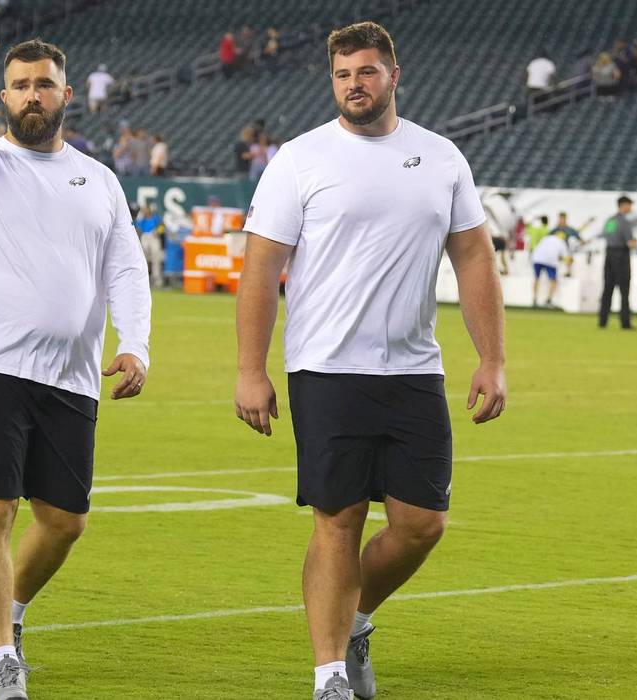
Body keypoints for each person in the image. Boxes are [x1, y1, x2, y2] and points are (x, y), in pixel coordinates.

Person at [234, 21, 506, 700]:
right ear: (332, 82)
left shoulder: (440, 157)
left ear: (393, 74)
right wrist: (250, 368)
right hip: (325, 368)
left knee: (421, 525)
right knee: (338, 518)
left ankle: (354, 621)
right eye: (342, 74)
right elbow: (261, 266)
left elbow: (472, 254)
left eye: (366, 71)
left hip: (414, 370)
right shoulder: (299, 159)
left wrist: (490, 358)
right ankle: (328, 673)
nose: (354, 84)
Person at [0, 4, 152, 698]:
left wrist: (136, 344)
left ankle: (10, 614)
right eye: (20, 85)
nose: (32, 95)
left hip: (72, 373)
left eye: (44, 84)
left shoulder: (98, 178)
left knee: (64, 521)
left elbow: (125, 268)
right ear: (3, 96)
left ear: (65, 95)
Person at [598, 195, 636, 329]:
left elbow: (605, 235)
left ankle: (603, 321)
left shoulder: (610, 221)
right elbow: (630, 243)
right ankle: (625, 322)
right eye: (630, 205)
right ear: (624, 205)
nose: (631, 208)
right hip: (621, 256)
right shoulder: (625, 222)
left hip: (609, 255)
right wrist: (635, 243)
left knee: (607, 289)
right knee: (624, 290)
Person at [530, 231, 570, 308]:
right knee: (553, 281)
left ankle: (534, 299)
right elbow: (566, 258)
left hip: (536, 258)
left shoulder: (546, 238)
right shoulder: (562, 242)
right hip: (550, 260)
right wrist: (568, 271)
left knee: (536, 278)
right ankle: (548, 300)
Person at [137, 202, 165, 286]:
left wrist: (158, 231)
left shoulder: (156, 218)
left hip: (153, 236)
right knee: (143, 260)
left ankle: (157, 279)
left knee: (156, 258)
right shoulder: (142, 219)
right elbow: (138, 228)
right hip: (145, 237)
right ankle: (144, 279)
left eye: (147, 209)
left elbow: (162, 226)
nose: (146, 211)